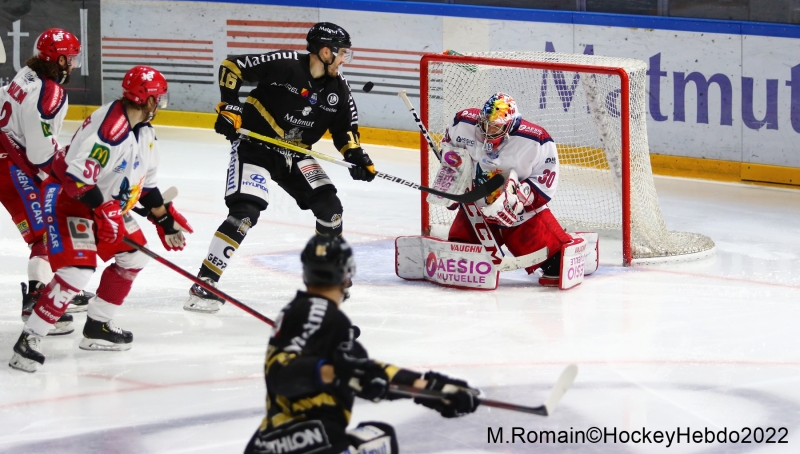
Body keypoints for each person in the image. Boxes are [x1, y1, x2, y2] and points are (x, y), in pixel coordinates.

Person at [8, 66, 193, 373]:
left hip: (100, 203)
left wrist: (164, 219)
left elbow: (144, 187)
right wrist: (105, 212)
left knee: (134, 256)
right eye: (158, 98)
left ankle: (98, 325)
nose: (161, 104)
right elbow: (77, 180)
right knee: (78, 269)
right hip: (69, 199)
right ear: (146, 100)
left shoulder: (144, 132)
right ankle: (30, 338)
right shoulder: (111, 131)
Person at [186, 22, 376, 314]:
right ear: (325, 51)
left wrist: (357, 156)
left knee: (331, 209)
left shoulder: (339, 88)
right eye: (341, 54)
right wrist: (230, 106)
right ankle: (204, 283)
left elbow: (346, 130)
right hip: (255, 147)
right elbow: (232, 67)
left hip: (295, 154)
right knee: (245, 214)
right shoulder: (285, 64)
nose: (344, 60)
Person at [244, 234, 479, 454]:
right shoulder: (317, 311)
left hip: (268, 444)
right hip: (305, 442)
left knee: (378, 435)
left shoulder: (314, 318)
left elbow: (369, 370)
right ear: (347, 275)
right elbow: (283, 375)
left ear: (305, 273)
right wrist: (338, 372)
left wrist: (434, 390)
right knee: (380, 440)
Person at [434, 92, 598, 286]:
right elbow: (450, 151)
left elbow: (545, 181)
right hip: (475, 208)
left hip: (519, 215)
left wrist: (519, 201)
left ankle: (574, 246)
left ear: (511, 125)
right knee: (462, 259)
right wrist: (454, 182)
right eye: (485, 124)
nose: (487, 131)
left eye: (495, 127)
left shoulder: (536, 140)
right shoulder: (463, 122)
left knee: (557, 265)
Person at [0, 28, 93, 337]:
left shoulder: (27, 73)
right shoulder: (51, 92)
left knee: (51, 223)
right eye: (72, 59)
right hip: (11, 166)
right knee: (44, 234)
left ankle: (58, 287)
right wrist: (66, 172)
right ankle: (37, 300)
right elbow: (41, 153)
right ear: (61, 59)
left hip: (7, 155)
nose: (74, 66)